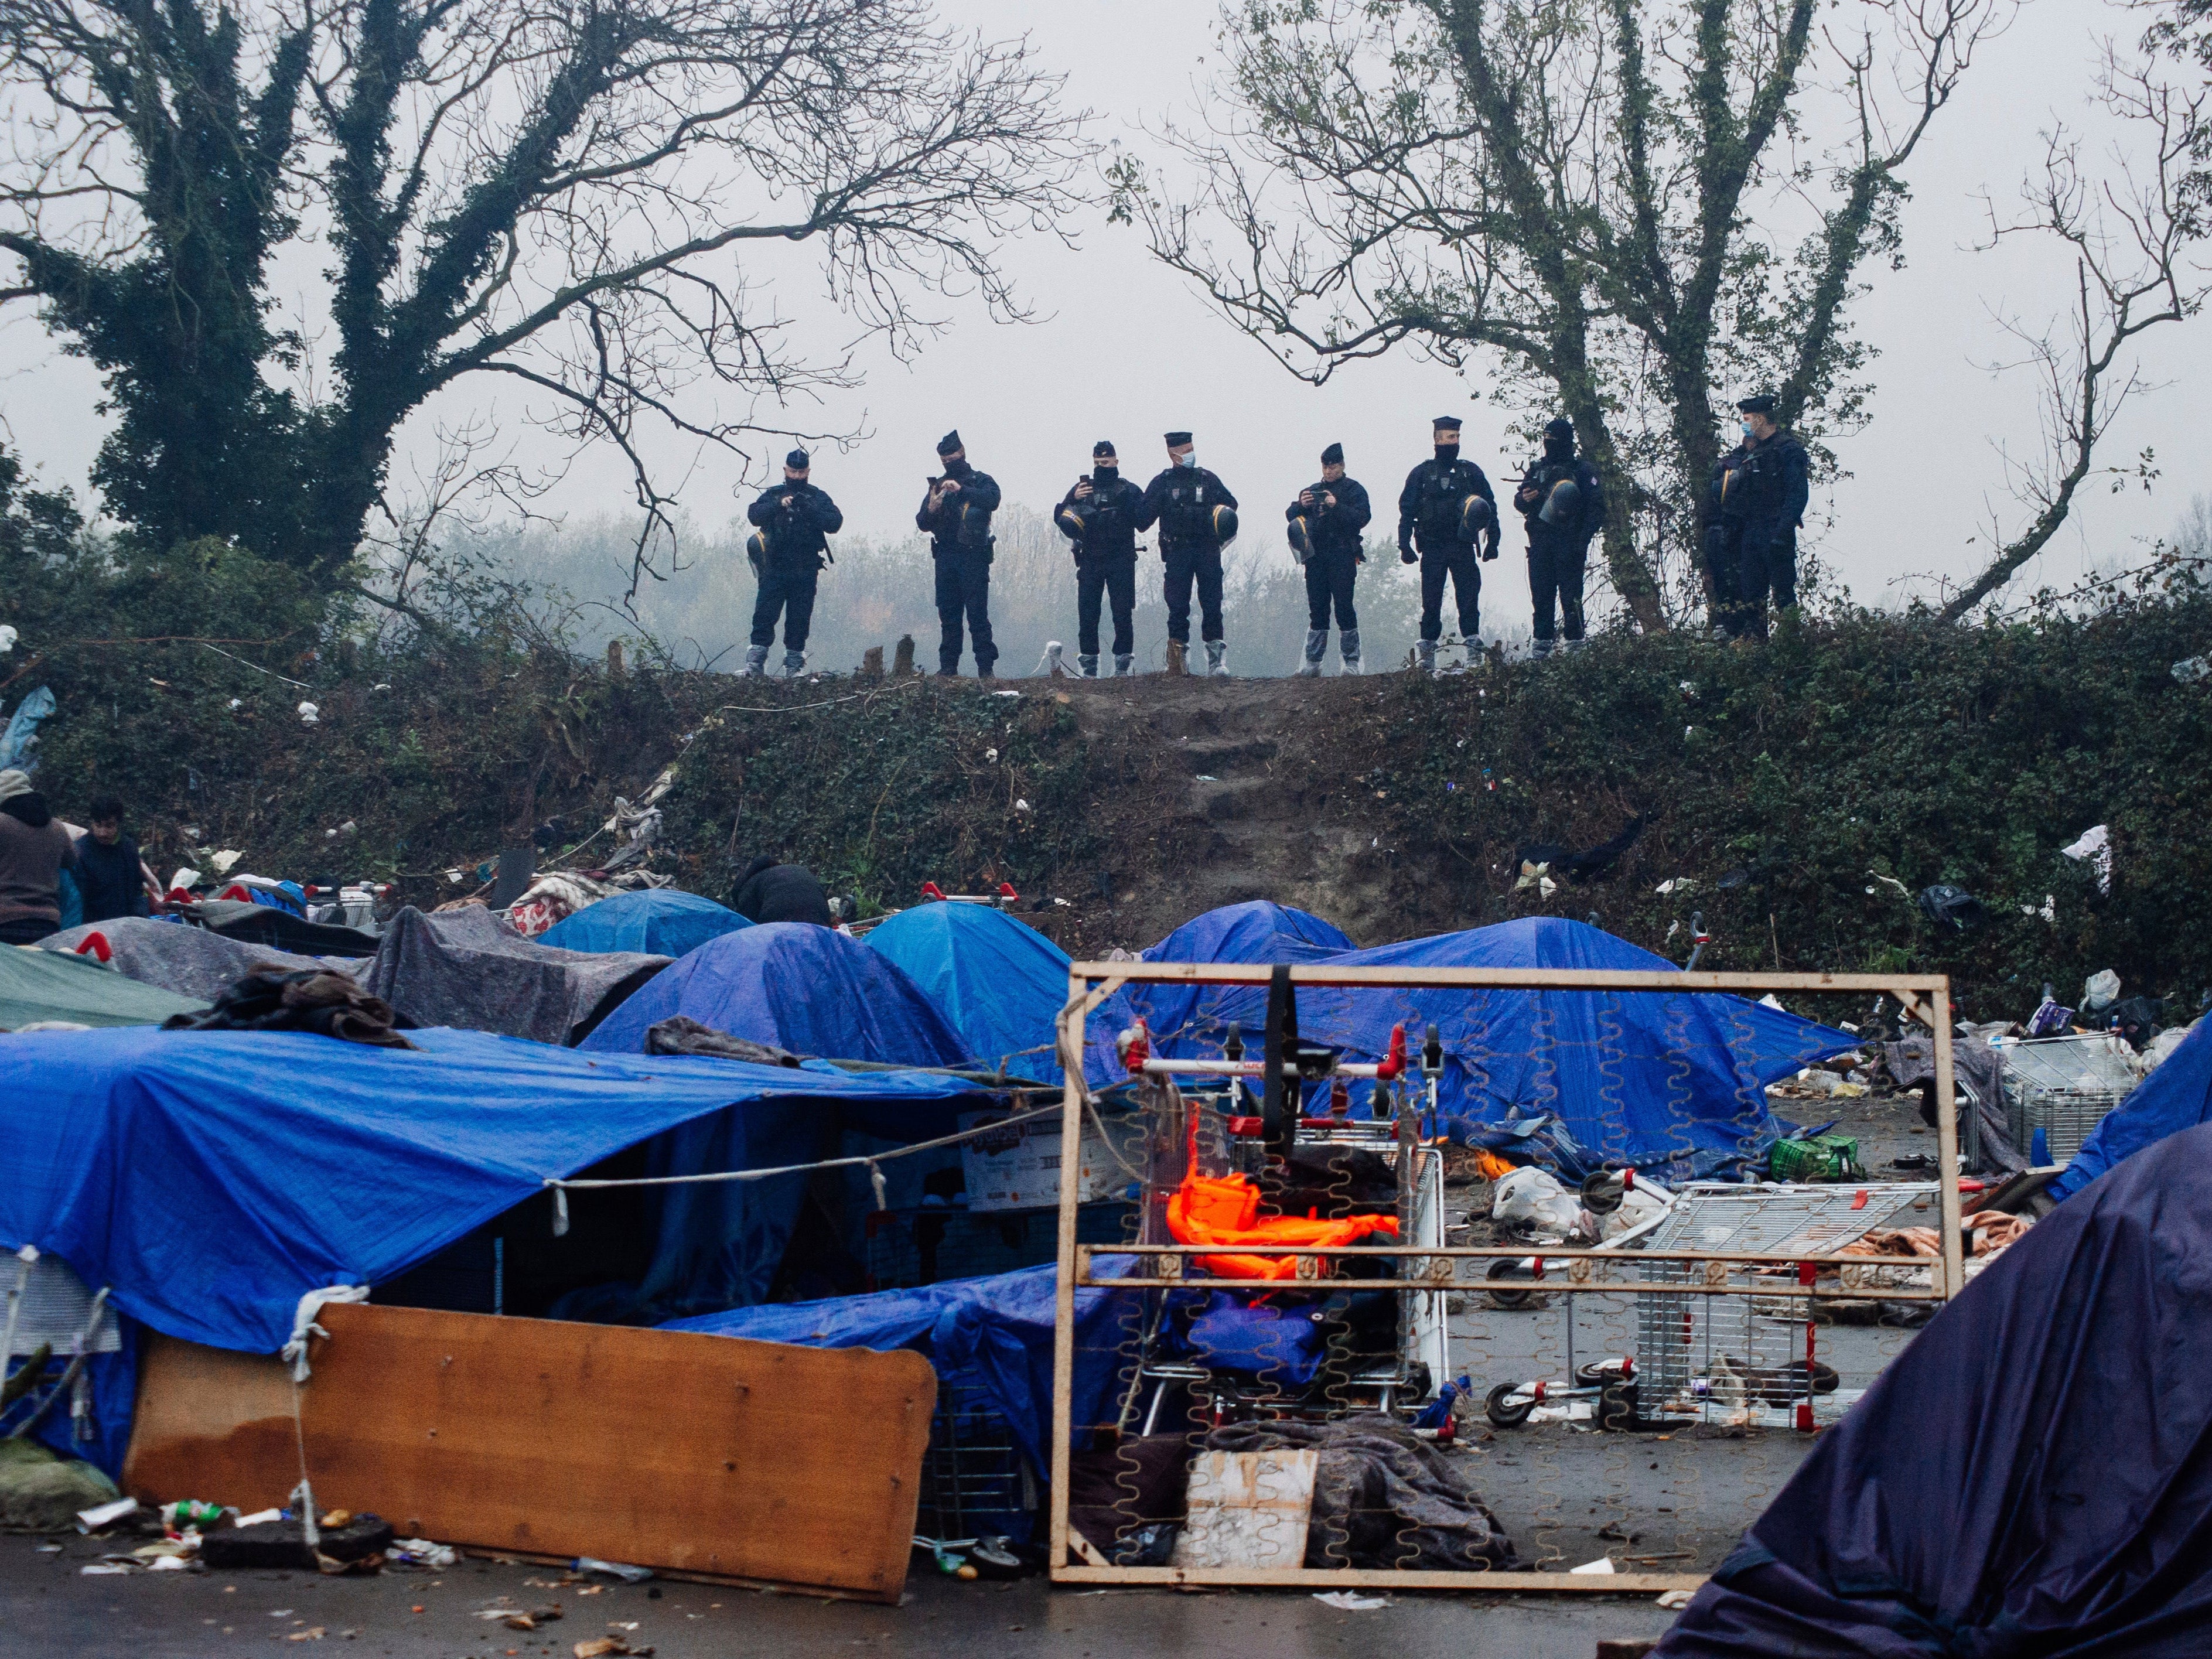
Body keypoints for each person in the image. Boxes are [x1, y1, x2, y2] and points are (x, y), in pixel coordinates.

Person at [1397, 414, 1498, 673]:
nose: (1455, 442)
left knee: (1468, 598)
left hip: (1463, 545)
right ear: (1437, 439)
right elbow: (1407, 510)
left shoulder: (1470, 471)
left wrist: (1493, 540)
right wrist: (1404, 545)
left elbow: (1489, 506)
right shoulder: (1421, 473)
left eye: (1457, 437)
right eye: (1451, 437)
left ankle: (1474, 656)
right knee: (1431, 602)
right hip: (1432, 546)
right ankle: (1427, 659)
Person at [1136, 431, 1238, 677]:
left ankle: (1216, 663)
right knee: (1178, 607)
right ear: (1173, 454)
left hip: (1207, 549)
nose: (1190, 454)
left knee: (1213, 603)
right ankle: (1177, 663)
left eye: (1191, 448)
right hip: (1177, 551)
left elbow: (1231, 506)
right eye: (1185, 451)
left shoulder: (1208, 479)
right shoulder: (1163, 483)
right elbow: (1142, 519)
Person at [742, 449, 845, 679]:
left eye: (801, 471)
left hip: (806, 567)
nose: (797, 476)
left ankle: (795, 668)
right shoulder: (774, 494)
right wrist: (779, 505)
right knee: (764, 615)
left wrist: (810, 509)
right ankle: (755, 666)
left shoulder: (818, 497)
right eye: (793, 471)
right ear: (785, 470)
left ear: (808, 471)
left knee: (799, 618)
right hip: (774, 567)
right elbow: (755, 515)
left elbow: (834, 523)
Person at [1511, 417, 1606, 657]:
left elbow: (1596, 508)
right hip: (1540, 542)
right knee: (1541, 598)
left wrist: (1581, 540)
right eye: (1546, 438)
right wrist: (1525, 499)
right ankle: (1541, 650)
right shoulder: (1537, 469)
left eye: (1553, 438)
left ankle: (1576, 649)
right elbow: (1519, 501)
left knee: (1571, 598)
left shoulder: (1582, 470)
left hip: (1570, 542)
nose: (1548, 443)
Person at [1054, 440, 1146, 677]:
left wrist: (1128, 507)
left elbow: (1144, 520)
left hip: (1121, 559)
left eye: (1105, 462)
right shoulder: (1082, 489)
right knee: (1088, 614)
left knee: (1122, 613)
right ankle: (1089, 667)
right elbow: (1061, 518)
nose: (1101, 466)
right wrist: (1072, 498)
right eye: (1097, 462)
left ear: (1116, 461)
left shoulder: (1129, 490)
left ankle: (1123, 666)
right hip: (1090, 559)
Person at [915, 430, 1003, 678]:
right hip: (945, 556)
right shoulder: (937, 486)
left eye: (951, 457)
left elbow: (993, 500)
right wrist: (932, 508)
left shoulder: (981, 481)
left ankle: (986, 669)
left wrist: (962, 490)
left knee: (977, 615)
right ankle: (948, 667)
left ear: (962, 452)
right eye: (944, 459)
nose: (948, 462)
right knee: (949, 615)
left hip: (974, 556)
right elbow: (922, 522)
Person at [1286, 442, 1373, 675]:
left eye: (1333, 467)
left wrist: (1336, 506)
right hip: (1315, 556)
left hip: (1343, 555)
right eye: (1325, 467)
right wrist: (1300, 506)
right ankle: (1313, 663)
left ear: (1342, 466)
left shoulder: (1354, 490)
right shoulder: (1313, 490)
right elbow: (1291, 517)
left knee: (1344, 607)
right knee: (1318, 608)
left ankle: (1352, 662)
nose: (1328, 472)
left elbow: (1362, 518)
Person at [1732, 393, 1810, 641]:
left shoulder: (1788, 450)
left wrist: (1783, 530)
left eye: (1746, 419)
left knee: (1783, 592)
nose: (1743, 424)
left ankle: (1791, 646)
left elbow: (1798, 494)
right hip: (1752, 530)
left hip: (1776, 529)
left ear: (1760, 419)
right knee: (1752, 594)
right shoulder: (1750, 451)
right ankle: (1757, 648)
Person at [0, 767, 78, 945]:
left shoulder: (2, 824)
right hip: (47, 924)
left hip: (5, 921)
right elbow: (73, 860)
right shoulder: (57, 828)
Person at [74, 794, 152, 924]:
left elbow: (137, 890)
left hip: (127, 926)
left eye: (109, 826)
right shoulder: (80, 851)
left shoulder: (129, 848)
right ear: (91, 822)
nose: (102, 832)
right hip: (93, 928)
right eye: (98, 825)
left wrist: (140, 919)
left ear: (119, 823)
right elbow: (77, 900)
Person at [1706, 432, 1754, 638]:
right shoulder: (1733, 467)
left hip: (1724, 532)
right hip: (1727, 532)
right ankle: (1733, 630)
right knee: (1734, 585)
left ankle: (1737, 631)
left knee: (1733, 587)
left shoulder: (1726, 465)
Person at [729, 854, 833, 926]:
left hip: (781, 921)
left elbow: (747, 923)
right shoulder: (793, 869)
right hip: (820, 919)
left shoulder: (749, 885)